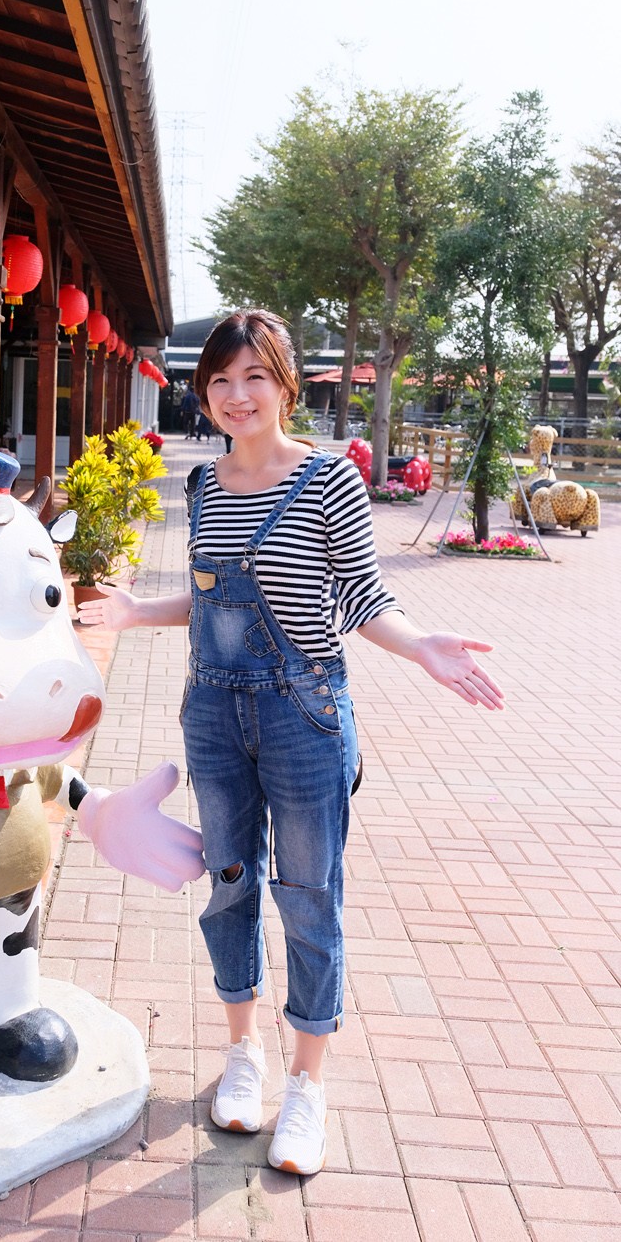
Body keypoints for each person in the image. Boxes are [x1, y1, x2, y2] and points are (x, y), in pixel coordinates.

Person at [80, 309, 503, 1175]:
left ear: (284, 383)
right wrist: (134, 612)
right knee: (230, 885)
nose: (237, 397)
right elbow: (207, 598)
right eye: (220, 382)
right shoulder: (200, 485)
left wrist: (421, 644)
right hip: (214, 715)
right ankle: (245, 1054)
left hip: (304, 716)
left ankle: (307, 1084)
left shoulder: (326, 480)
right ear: (206, 394)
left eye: (254, 378)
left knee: (308, 896)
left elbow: (361, 596)